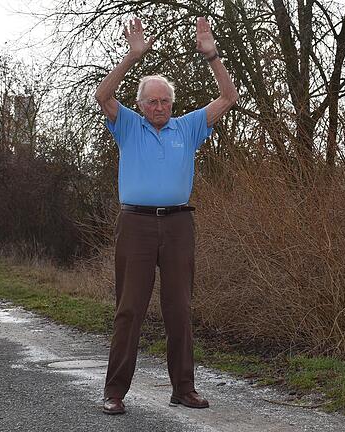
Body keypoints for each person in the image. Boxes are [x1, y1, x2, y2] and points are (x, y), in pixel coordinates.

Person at [94, 16, 238, 414]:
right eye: (152, 101)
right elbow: (102, 95)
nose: (159, 107)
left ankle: (183, 388)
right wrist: (132, 56)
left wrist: (212, 56)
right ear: (141, 105)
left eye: (165, 101)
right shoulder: (128, 125)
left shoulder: (188, 127)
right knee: (129, 308)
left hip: (178, 224)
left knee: (180, 308)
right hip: (135, 224)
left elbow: (228, 98)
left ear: (172, 105)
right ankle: (114, 392)